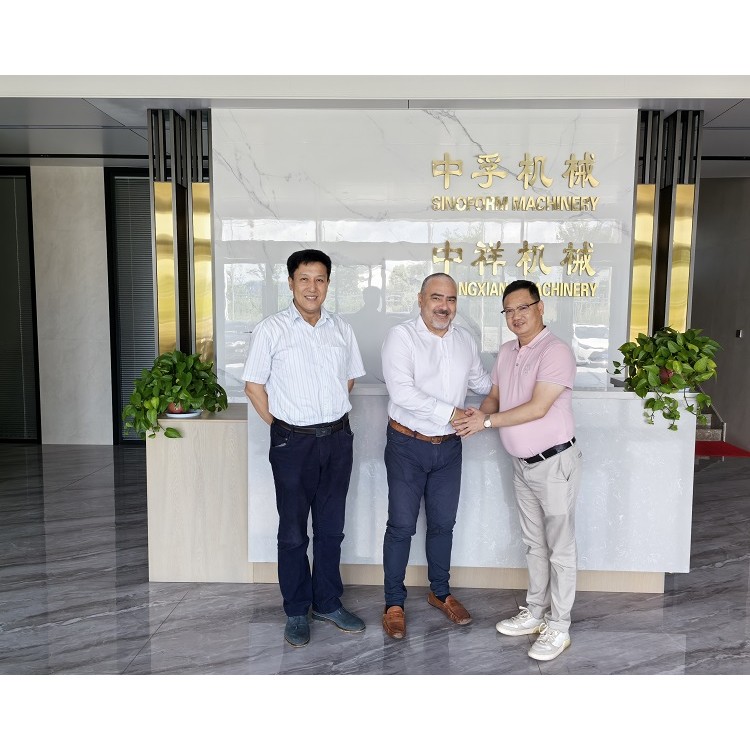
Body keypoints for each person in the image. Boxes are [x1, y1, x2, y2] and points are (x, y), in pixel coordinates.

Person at [243, 249, 366, 648]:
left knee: (330, 529)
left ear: (328, 283)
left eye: (320, 279)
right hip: (292, 443)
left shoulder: (341, 329)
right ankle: (297, 610)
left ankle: (327, 602)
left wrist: (323, 416)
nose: (312, 287)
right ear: (291, 283)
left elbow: (348, 380)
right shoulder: (271, 329)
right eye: (304, 279)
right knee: (294, 532)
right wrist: (284, 427)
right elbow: (253, 386)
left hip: (337, 440)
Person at [454, 279, 582, 661]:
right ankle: (536, 612)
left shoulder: (556, 351)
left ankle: (559, 626)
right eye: (508, 311)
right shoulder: (508, 350)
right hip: (522, 466)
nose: (515, 316)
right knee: (533, 543)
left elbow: (539, 407)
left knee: (560, 548)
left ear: (540, 308)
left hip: (554, 464)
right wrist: (479, 415)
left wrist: (486, 423)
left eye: (522, 308)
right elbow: (496, 396)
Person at [380, 272, 492, 639]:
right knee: (401, 526)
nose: (444, 306)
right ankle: (393, 603)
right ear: (421, 299)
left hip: (449, 448)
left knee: (444, 525)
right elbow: (402, 392)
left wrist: (518, 375)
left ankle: (440, 593)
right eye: (436, 298)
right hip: (407, 446)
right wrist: (453, 412)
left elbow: (481, 383)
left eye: (451, 299)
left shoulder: (464, 341)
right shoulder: (401, 337)